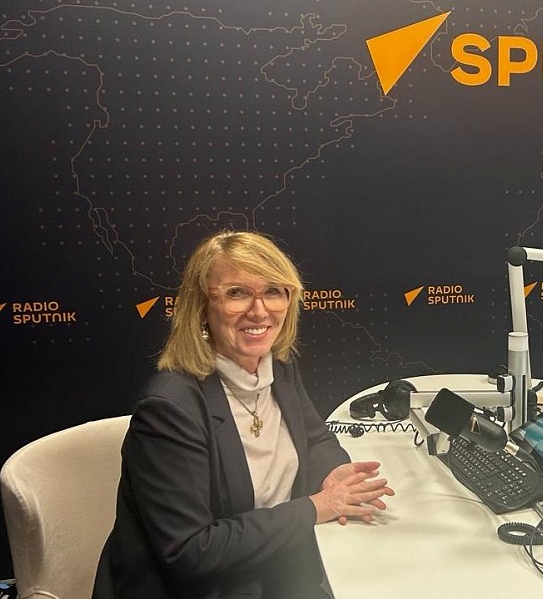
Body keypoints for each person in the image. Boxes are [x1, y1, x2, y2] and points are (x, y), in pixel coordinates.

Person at [93, 230, 394, 599]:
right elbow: (192, 552)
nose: (260, 310)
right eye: (237, 293)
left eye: (273, 291)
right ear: (201, 308)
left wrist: (332, 473)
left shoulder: (277, 366)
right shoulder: (169, 408)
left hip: (275, 570)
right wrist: (316, 507)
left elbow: (314, 439)